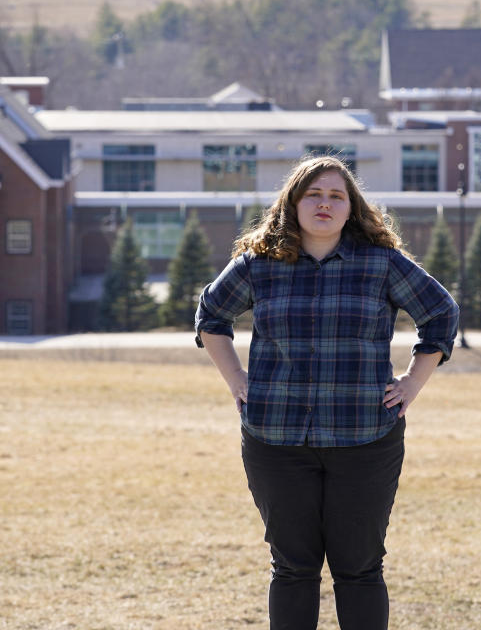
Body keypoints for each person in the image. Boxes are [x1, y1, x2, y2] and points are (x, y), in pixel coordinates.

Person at [194, 156, 459, 630]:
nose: (324, 204)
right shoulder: (259, 264)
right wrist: (236, 378)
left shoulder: (380, 264)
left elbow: (440, 312)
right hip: (275, 441)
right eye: (314, 194)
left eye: (337, 196)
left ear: (351, 208)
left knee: (358, 569)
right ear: (293, 203)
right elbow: (211, 315)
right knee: (293, 568)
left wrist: (414, 382)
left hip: (364, 440)